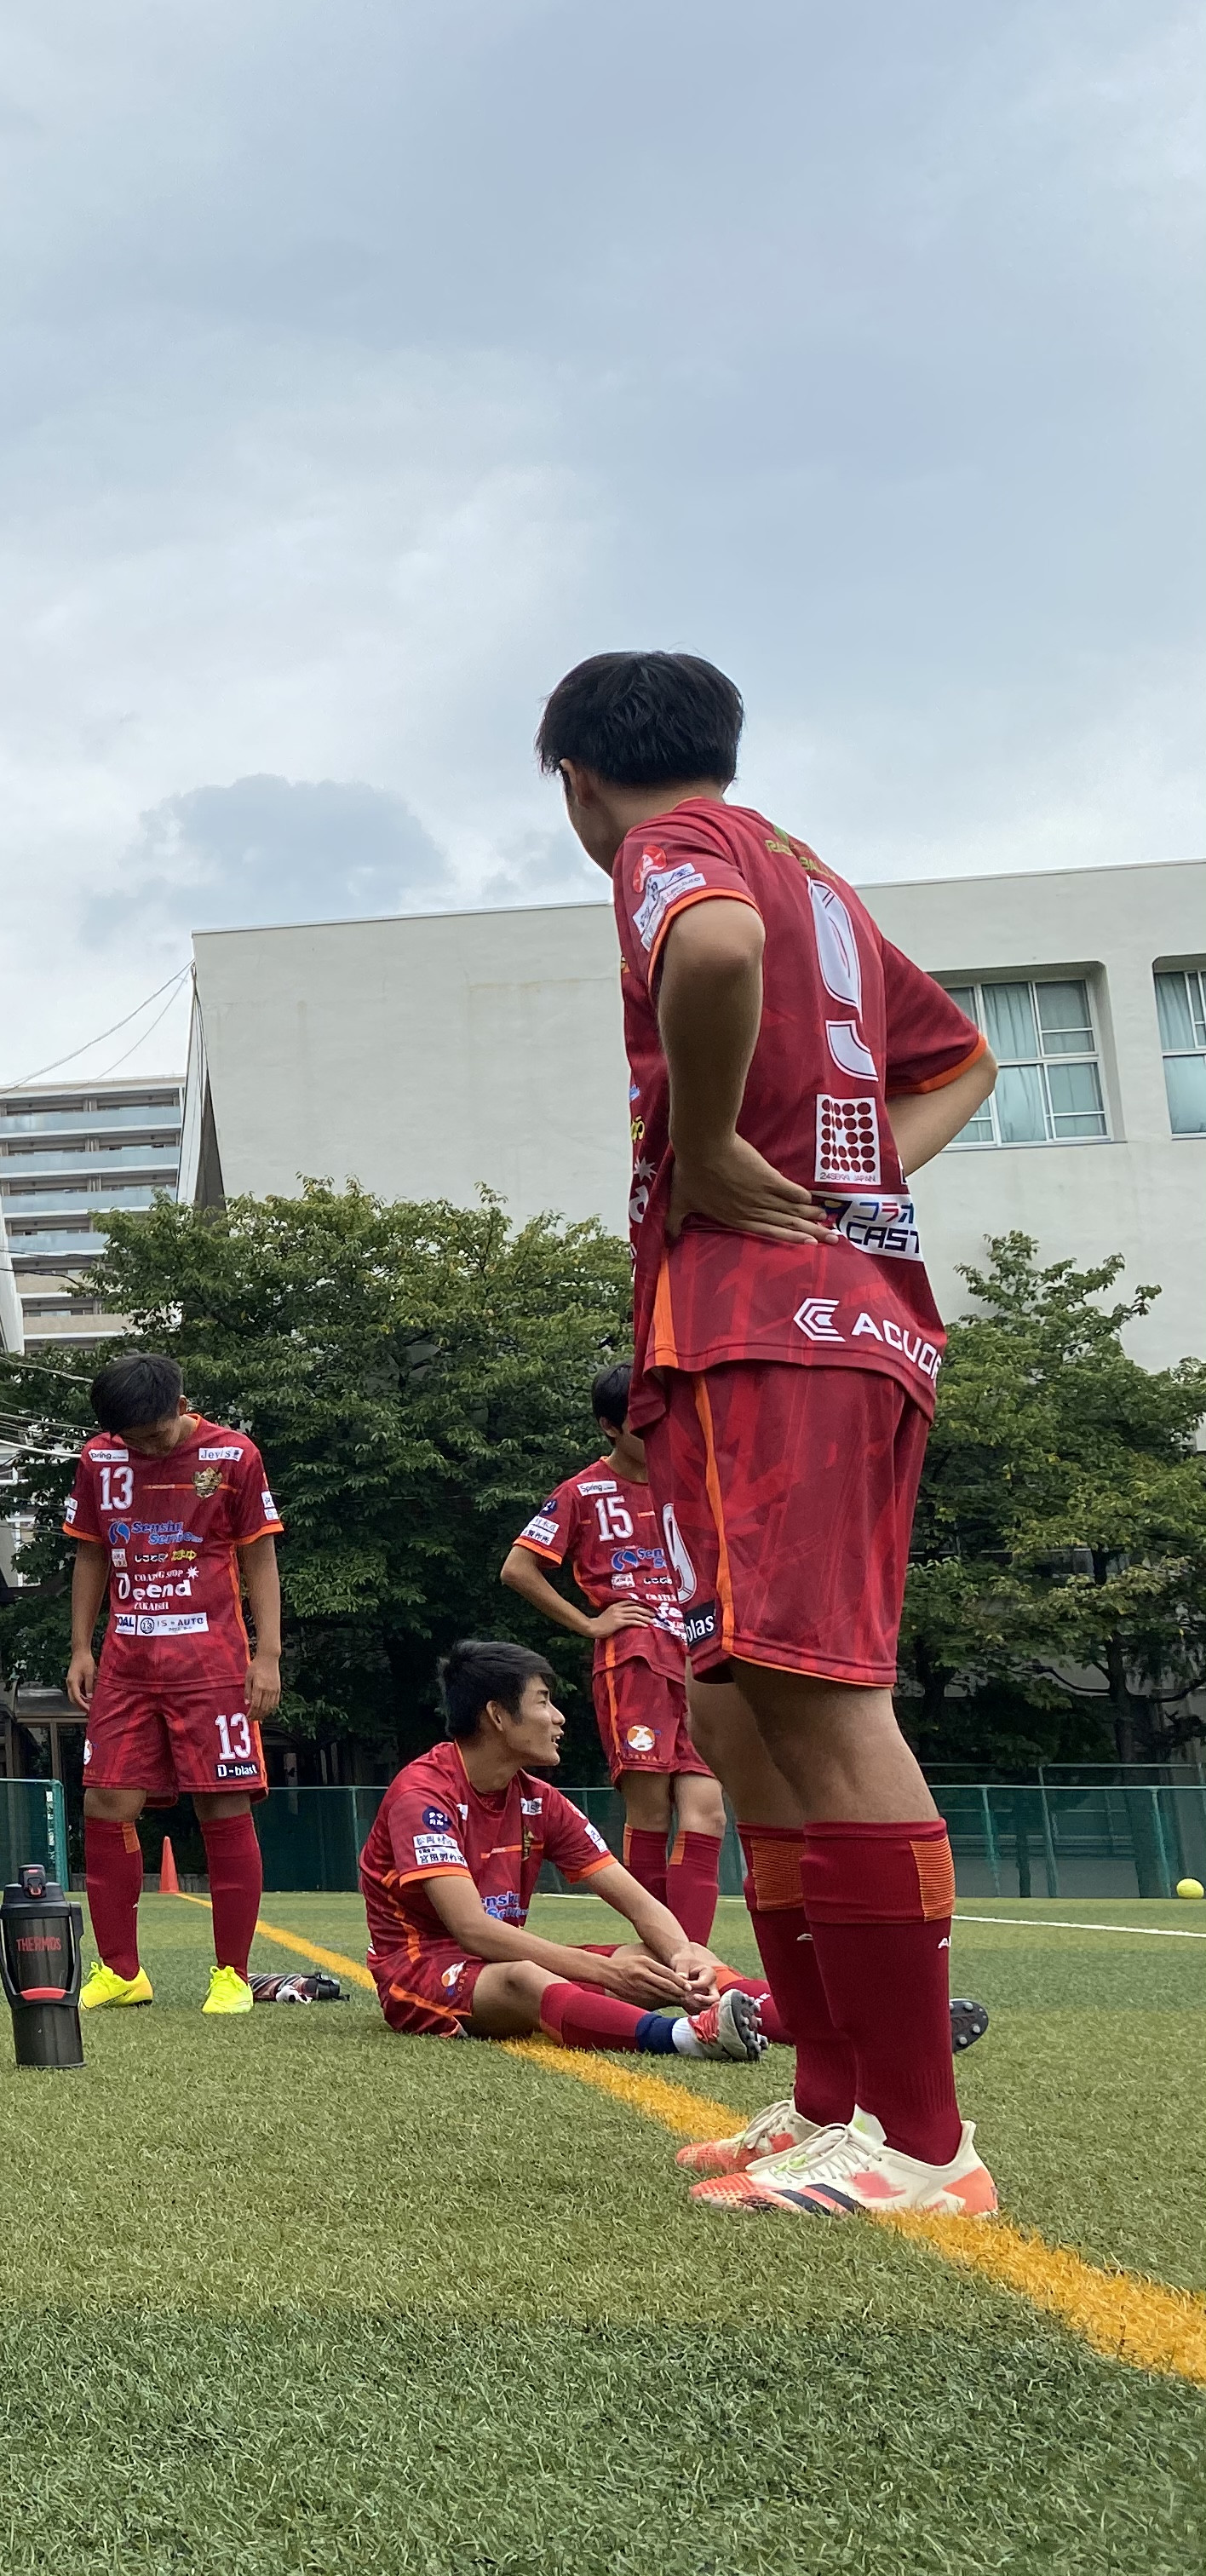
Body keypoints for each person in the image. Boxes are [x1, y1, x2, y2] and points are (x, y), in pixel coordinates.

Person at [544, 651, 999, 2217]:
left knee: (811, 1691)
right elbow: (960, 1061)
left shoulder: (677, 855)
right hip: (817, 1315)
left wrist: (729, 1151)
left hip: (772, 1323)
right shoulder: (813, 871)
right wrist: (856, 1200)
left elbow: (716, 953)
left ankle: (926, 2144)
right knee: (737, 1708)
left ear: (575, 782)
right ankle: (830, 2099)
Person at [360, 1641, 769, 2061]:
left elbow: (638, 1902)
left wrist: (682, 1954)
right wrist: (605, 1971)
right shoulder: (423, 1795)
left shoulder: (539, 1799)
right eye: (544, 1701)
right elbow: (472, 1929)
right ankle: (686, 2036)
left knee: (669, 1956)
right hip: (420, 1971)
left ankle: (795, 2019)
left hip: (499, 1959)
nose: (559, 1717)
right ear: (497, 1716)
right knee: (524, 1977)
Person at [59, 1352, 284, 2015]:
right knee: (105, 1803)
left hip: (212, 1662)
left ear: (181, 1405)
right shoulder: (100, 1460)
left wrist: (267, 1655)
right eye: (130, 1436)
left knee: (223, 1804)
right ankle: (122, 1971)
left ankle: (232, 1976)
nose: (145, 1446)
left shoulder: (234, 1456)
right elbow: (91, 1550)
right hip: (127, 1662)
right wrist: (80, 1646)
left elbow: (260, 1553)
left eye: (154, 1432)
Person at [501, 1363, 723, 1941]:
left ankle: (693, 1962)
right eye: (639, 1425)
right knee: (650, 1816)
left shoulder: (696, 1482)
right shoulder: (582, 1493)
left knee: (709, 1814)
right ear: (608, 1427)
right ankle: (666, 1959)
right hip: (636, 1663)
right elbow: (518, 1568)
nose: (658, 1436)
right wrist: (591, 1624)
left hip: (704, 1658)